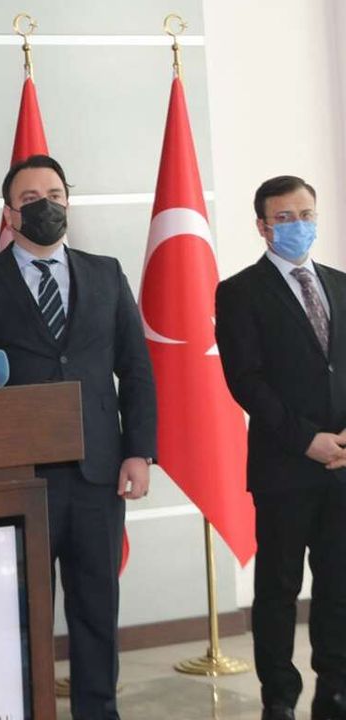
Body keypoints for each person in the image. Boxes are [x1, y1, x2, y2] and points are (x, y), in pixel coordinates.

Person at [0, 154, 156, 720]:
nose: (46, 207)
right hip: (17, 480)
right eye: (30, 199)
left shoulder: (106, 273)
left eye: (55, 196)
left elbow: (135, 369)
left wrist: (139, 451)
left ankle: (98, 712)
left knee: (97, 611)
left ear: (69, 203)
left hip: (97, 474)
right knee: (18, 614)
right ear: (9, 215)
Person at [215, 175, 346, 720]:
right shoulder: (240, 292)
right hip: (284, 467)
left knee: (339, 585)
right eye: (285, 218)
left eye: (306, 214)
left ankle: (335, 689)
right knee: (278, 586)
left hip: (342, 464)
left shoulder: (341, 284)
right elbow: (246, 381)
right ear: (263, 227)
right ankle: (279, 696)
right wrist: (307, 440)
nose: (298, 225)